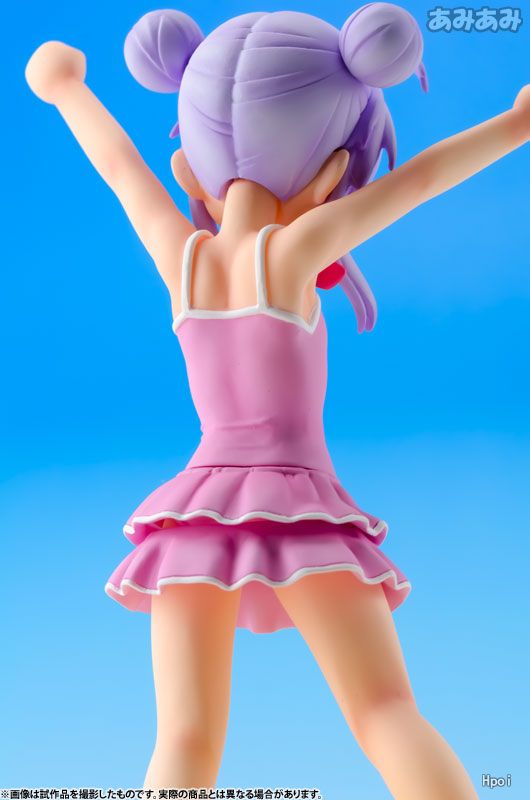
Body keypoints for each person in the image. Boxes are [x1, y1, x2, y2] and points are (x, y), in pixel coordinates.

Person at [25, 4, 530, 797]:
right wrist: (516, 126)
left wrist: (67, 92)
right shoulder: (294, 253)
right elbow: (420, 181)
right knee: (385, 710)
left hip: (192, 518)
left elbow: (121, 167)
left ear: (188, 169)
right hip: (302, 510)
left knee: (185, 739)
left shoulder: (182, 257)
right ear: (332, 173)